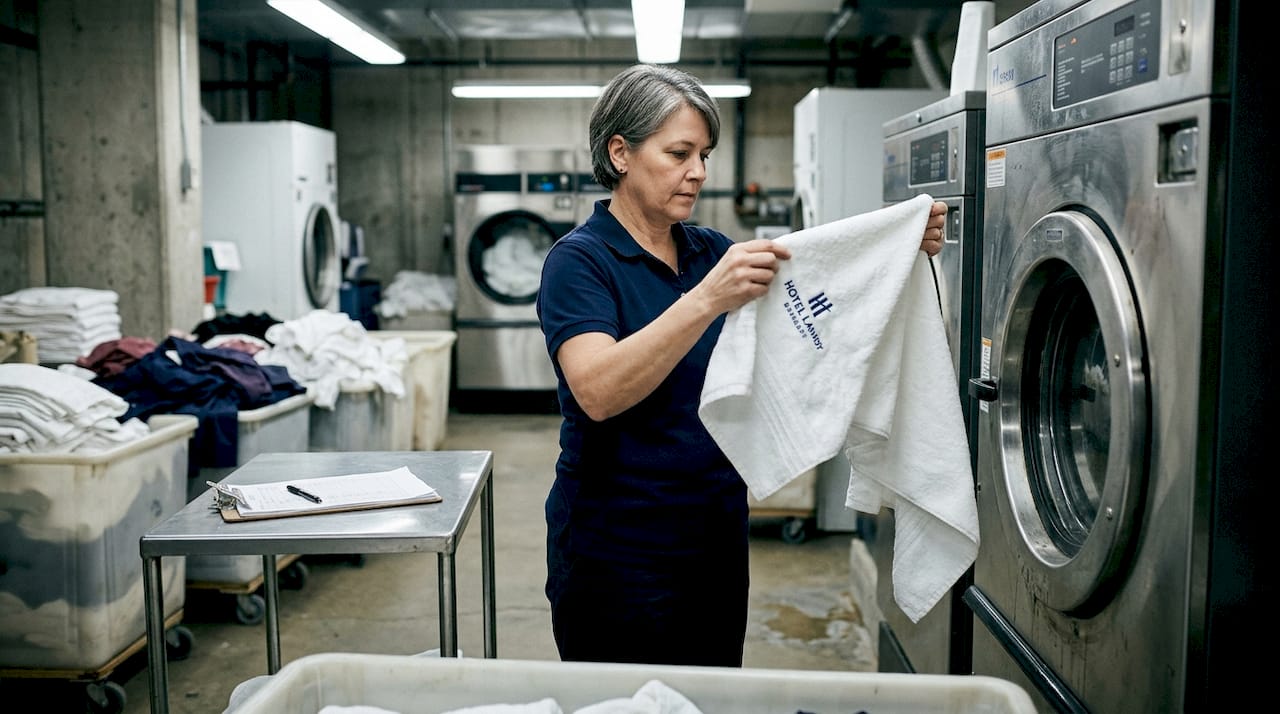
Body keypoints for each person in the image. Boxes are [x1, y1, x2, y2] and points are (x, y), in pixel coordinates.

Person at [535, 63, 946, 667]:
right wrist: (703, 300)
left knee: (712, 691)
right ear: (620, 153)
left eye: (704, 153)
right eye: (678, 153)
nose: (698, 172)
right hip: (616, 542)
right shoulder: (581, 263)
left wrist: (895, 247)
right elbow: (597, 390)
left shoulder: (710, 251)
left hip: (714, 530)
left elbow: (822, 288)